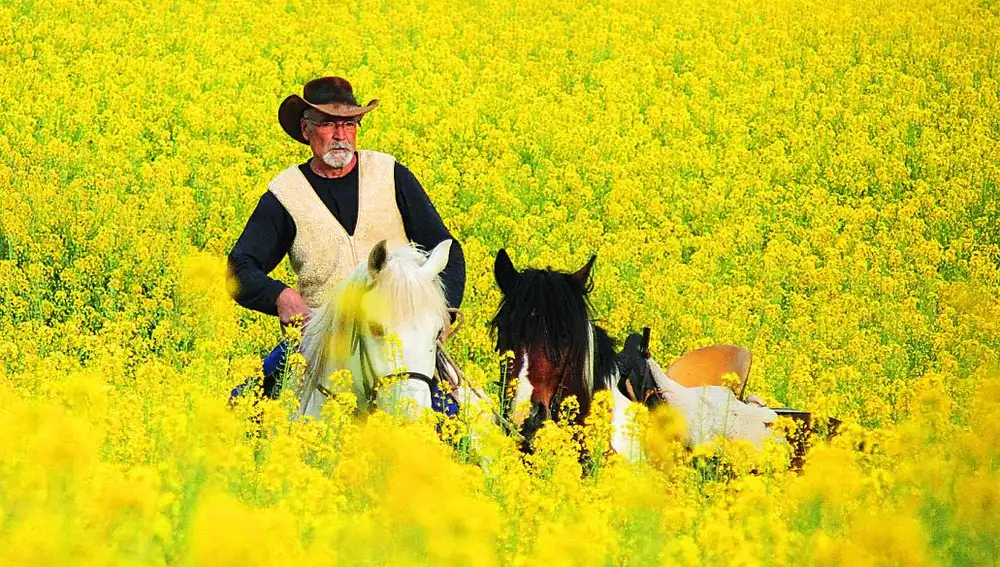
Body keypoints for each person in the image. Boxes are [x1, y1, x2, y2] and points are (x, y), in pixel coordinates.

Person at [227, 76, 465, 401]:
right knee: (241, 408)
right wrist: (282, 296)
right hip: (323, 337)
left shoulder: (392, 174)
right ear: (306, 129)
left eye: (349, 124)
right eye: (328, 124)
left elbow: (445, 247)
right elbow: (239, 267)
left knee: (458, 428)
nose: (340, 135)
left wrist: (442, 310)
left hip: (397, 334)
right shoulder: (285, 195)